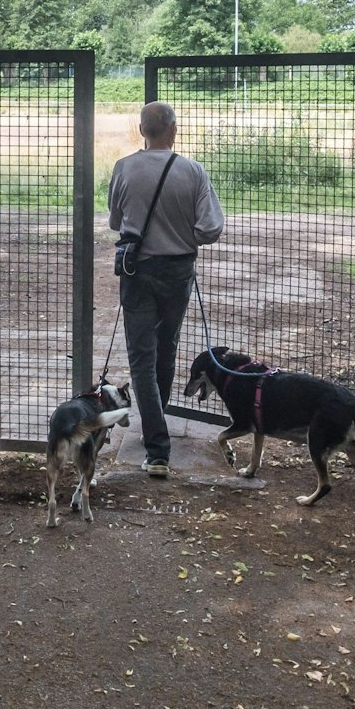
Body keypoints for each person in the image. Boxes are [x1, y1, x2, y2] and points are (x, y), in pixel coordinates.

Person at [107, 101, 224, 477]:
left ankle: (156, 448)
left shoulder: (124, 168)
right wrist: (182, 234)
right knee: (166, 348)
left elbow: (116, 221)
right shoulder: (193, 170)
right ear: (174, 130)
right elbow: (211, 228)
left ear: (142, 131)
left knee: (141, 358)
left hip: (137, 270)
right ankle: (157, 426)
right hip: (177, 271)